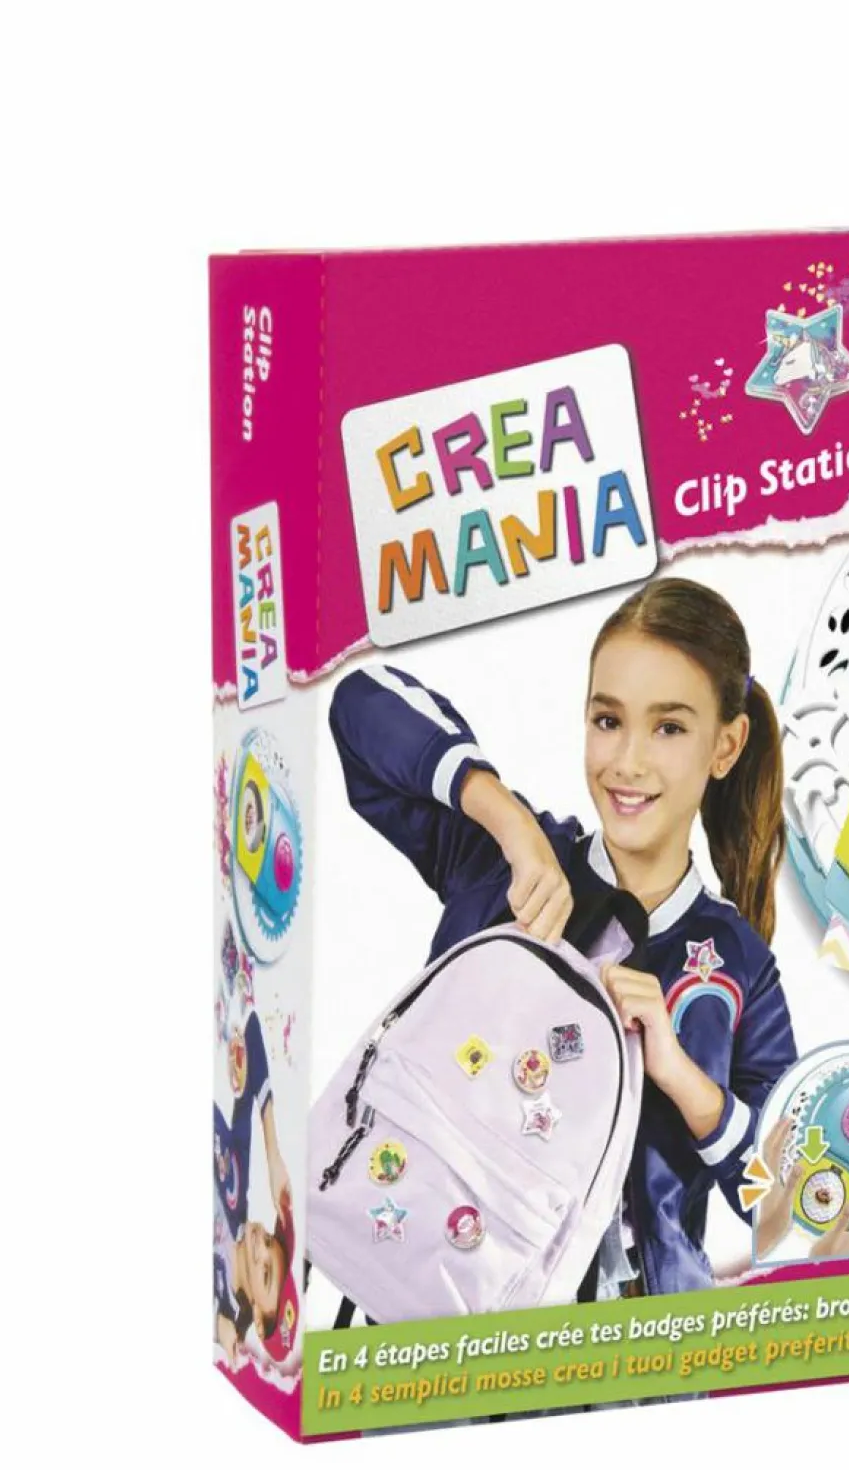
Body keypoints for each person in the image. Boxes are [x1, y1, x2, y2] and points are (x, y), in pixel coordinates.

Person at [328, 576, 798, 1296]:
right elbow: (360, 701)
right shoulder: (504, 863)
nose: (628, 761)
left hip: (641, 1338)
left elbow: (789, 1199)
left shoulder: (740, 965)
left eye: (669, 728)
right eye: (608, 720)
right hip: (441, 1296)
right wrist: (507, 819)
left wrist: (681, 1076)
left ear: (726, 746)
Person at [213, 1010, 299, 1366]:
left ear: (259, 1325)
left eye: (265, 1274)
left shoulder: (218, 1306)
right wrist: (273, 1154)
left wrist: (218, 1326)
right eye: (270, 1242)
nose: (261, 1243)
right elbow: (250, 1029)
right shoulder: (237, 1185)